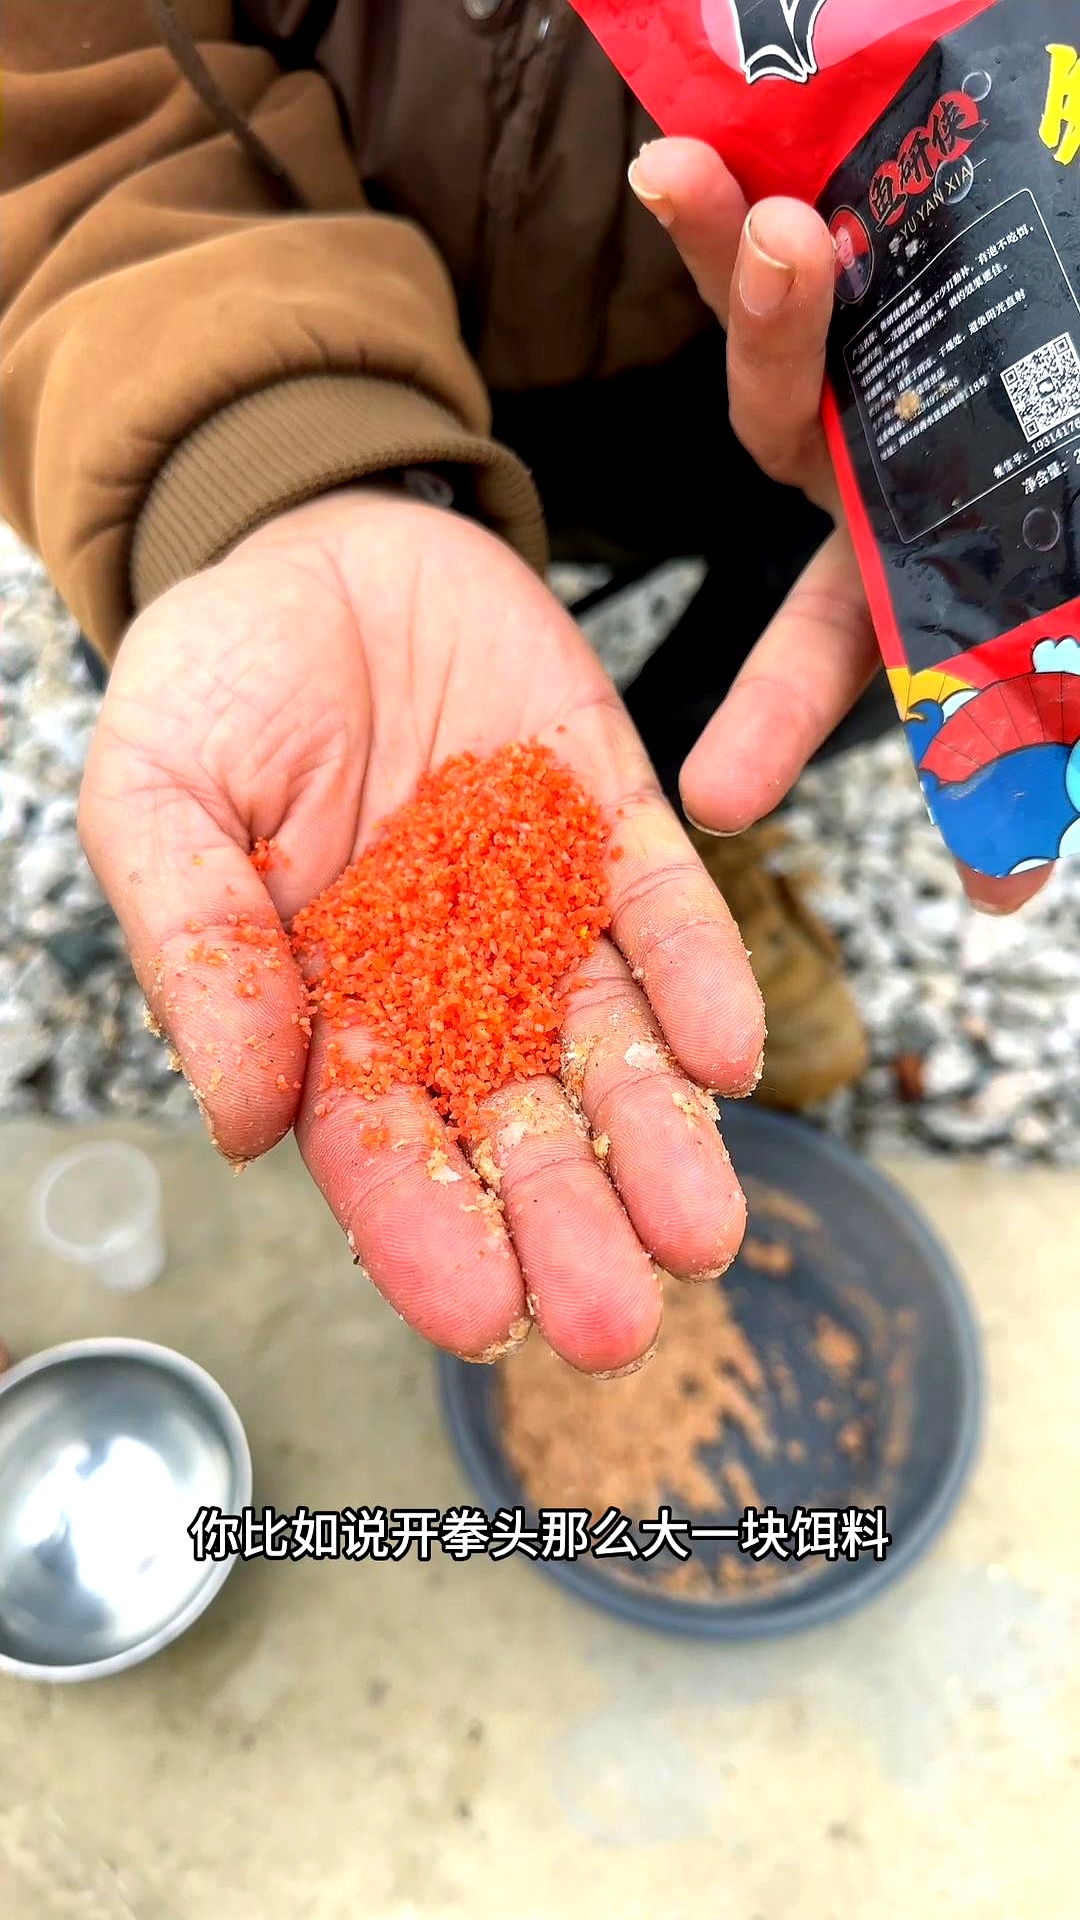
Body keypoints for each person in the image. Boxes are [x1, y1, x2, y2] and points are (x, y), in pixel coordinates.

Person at [0, 3, 1045, 1378]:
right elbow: (67, 101)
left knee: (793, 664)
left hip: (841, 314)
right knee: (199, 627)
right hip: (306, 274)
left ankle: (704, 849)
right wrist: (256, 457)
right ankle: (667, 842)